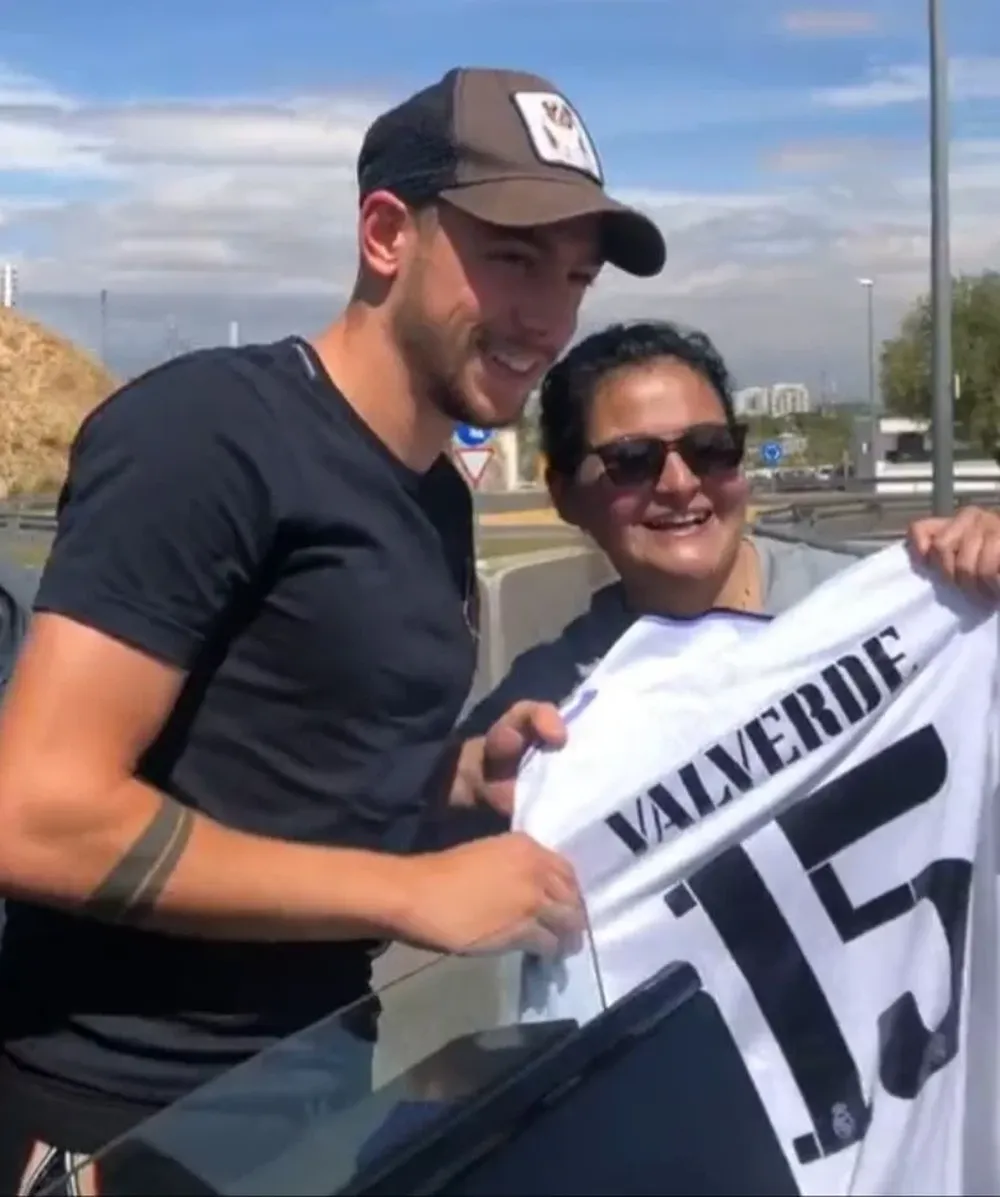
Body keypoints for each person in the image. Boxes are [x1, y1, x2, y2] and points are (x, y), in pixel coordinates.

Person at [0, 68, 666, 1190]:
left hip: (318, 1084)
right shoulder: (208, 434)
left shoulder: (435, 496)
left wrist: (455, 780)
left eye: (573, 277)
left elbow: (285, 768)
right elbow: (34, 816)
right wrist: (408, 894)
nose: (547, 317)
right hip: (120, 1112)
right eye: (510, 258)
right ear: (385, 232)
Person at [460, 319, 1000, 779]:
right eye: (632, 459)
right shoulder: (541, 711)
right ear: (565, 496)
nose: (678, 483)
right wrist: (479, 785)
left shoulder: (899, 607)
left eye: (709, 449)